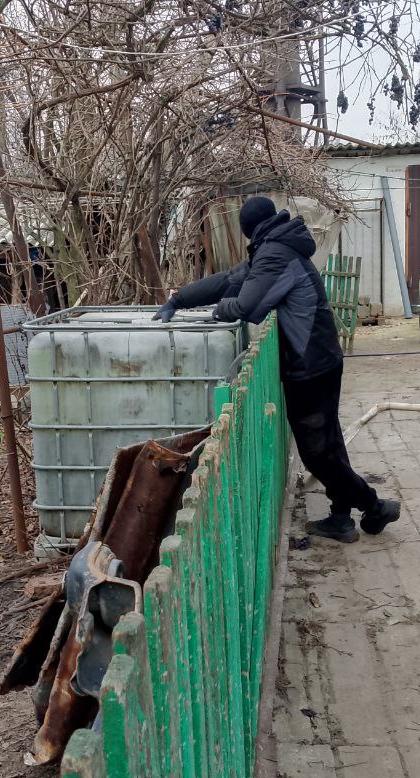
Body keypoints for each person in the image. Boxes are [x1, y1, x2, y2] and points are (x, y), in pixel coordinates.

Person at [155, 196, 399, 543]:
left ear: (248, 230)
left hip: (309, 367)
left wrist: (218, 311)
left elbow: (246, 305)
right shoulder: (277, 248)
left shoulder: (274, 254)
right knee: (329, 445)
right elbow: (229, 279)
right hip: (321, 359)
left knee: (317, 454)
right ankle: (341, 519)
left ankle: (373, 506)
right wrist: (179, 300)